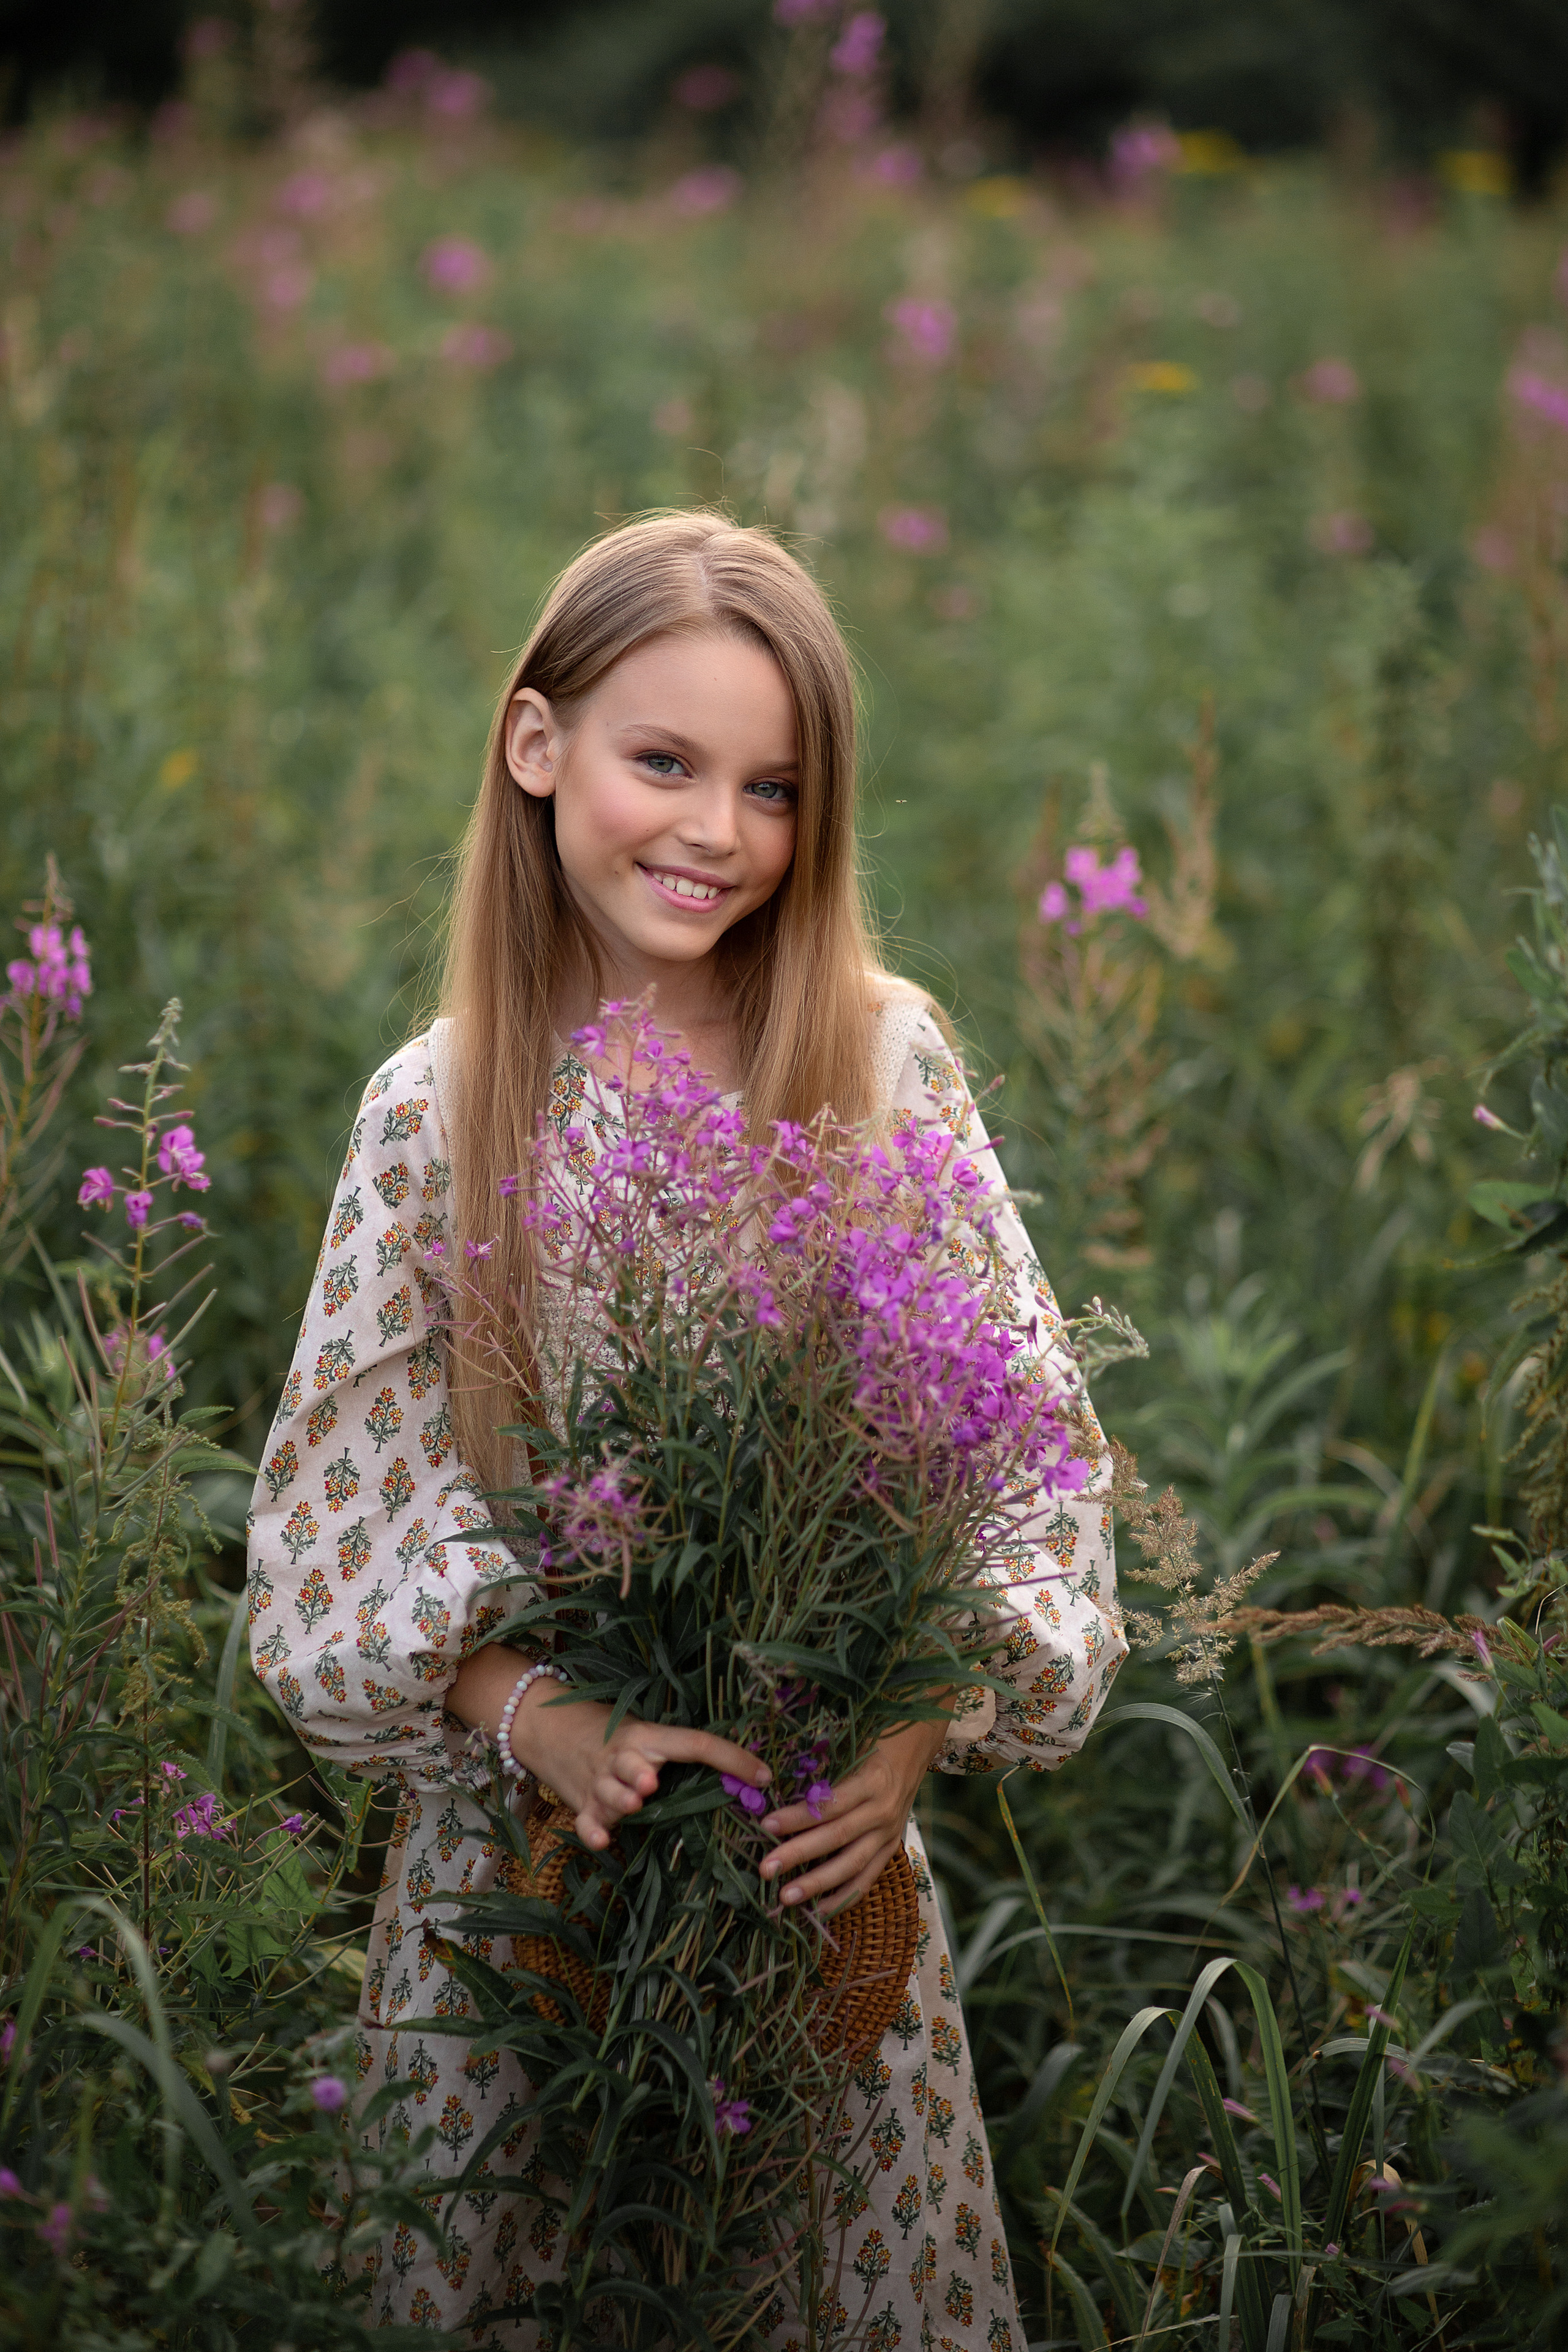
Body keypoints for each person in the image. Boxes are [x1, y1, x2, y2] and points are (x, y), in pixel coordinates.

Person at [247, 510, 1126, 2349]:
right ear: (537, 743)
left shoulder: (879, 1069)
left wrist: (907, 1732)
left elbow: (1026, 1454)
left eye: (777, 787)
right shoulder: (439, 1110)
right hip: (525, 1890)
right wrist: (538, 1717)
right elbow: (343, 1523)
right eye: (668, 762)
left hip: (818, 1880)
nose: (718, 831)